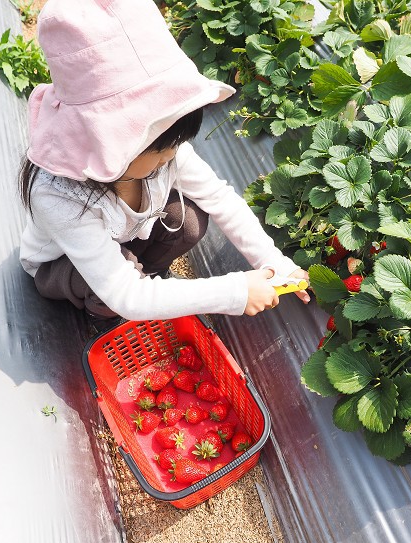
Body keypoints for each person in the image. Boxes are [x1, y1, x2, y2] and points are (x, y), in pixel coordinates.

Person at [18, 0, 309, 322]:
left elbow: (220, 198)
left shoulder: (167, 152)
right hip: (65, 265)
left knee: (189, 220)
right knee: (114, 297)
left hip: (130, 240)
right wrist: (235, 291)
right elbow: (124, 292)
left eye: (176, 143)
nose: (173, 154)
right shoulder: (57, 194)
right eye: (161, 149)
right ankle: (103, 316)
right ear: (110, 142)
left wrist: (274, 263)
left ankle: (152, 283)